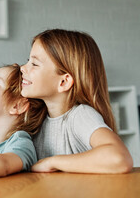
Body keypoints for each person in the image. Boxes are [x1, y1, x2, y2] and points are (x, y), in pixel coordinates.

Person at [20, 29, 133, 174]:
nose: (23, 68)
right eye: (28, 61)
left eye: (34, 64)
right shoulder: (38, 118)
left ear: (64, 82)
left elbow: (119, 158)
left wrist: (52, 162)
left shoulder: (80, 116)